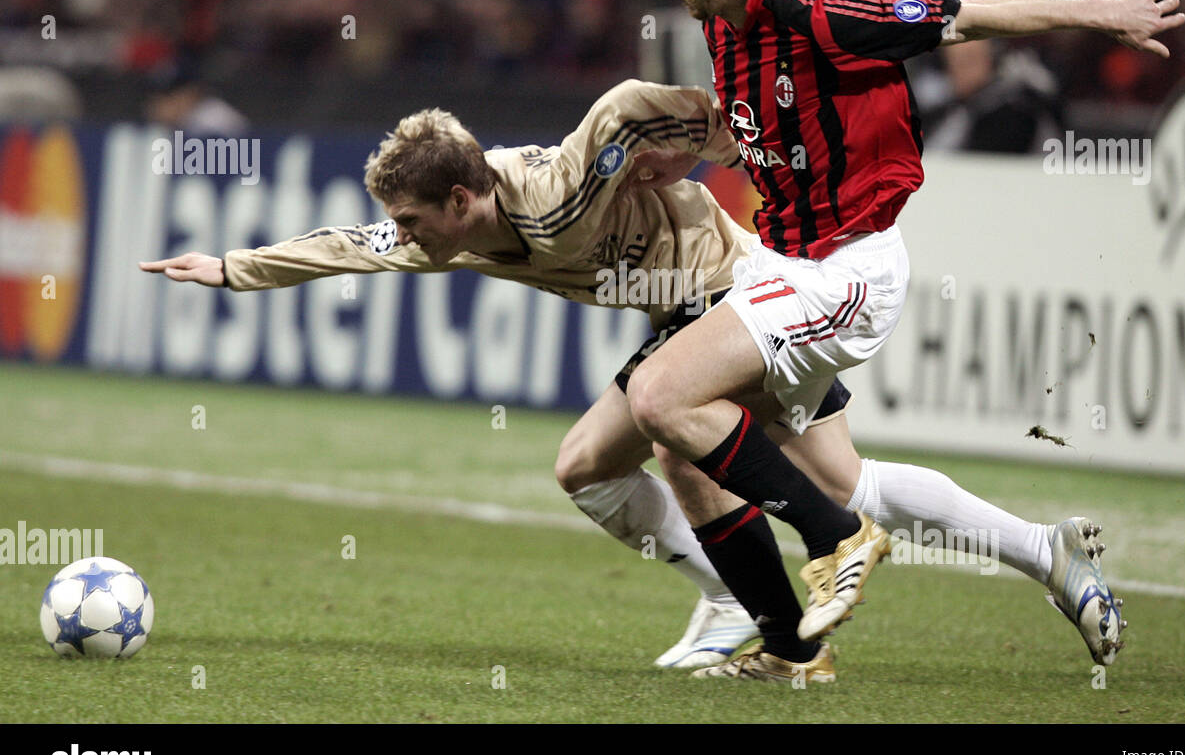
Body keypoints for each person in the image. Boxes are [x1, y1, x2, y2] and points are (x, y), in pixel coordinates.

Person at [142, 78, 1126, 681]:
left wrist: (717, 137)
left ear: (457, 196)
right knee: (830, 481)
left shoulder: (555, 187)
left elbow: (624, 112)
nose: (402, 240)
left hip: (734, 294)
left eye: (412, 221)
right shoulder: (448, 235)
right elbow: (344, 247)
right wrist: (229, 267)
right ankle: (1044, 552)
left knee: (661, 438)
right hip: (695, 309)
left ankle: (776, 630)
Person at [625, 0, 1179, 680]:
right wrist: (698, 149)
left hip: (847, 269)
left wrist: (1107, 12)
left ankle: (833, 543)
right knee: (729, 458)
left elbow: (968, 16)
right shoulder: (720, 23)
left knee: (659, 395)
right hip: (785, 266)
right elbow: (771, 128)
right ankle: (1035, 556)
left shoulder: (821, 9)